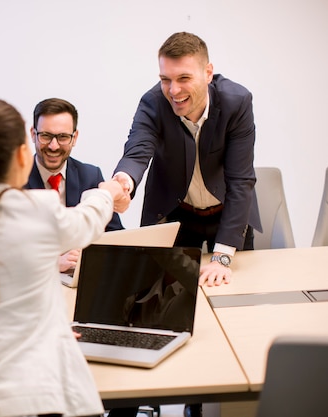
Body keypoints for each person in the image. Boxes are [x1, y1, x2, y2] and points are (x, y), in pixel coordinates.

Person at [0, 99, 129, 417]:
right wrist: (108, 190)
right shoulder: (36, 210)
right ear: (22, 153)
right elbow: (87, 220)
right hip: (33, 401)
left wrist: (50, 328)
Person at [112, 32, 262, 417]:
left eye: (183, 79)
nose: (172, 90)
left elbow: (242, 180)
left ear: (208, 72)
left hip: (227, 219)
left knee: (227, 319)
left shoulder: (236, 101)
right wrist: (122, 182)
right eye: (165, 79)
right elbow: (137, 149)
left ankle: (203, 406)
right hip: (177, 219)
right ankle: (137, 399)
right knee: (156, 313)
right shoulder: (152, 102)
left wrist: (224, 257)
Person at [25, 98, 124, 273]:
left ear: (74, 137)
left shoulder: (91, 176)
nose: (54, 146)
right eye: (46, 136)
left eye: (63, 137)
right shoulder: (14, 180)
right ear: (33, 134)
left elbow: (115, 238)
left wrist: (87, 256)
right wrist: (51, 263)